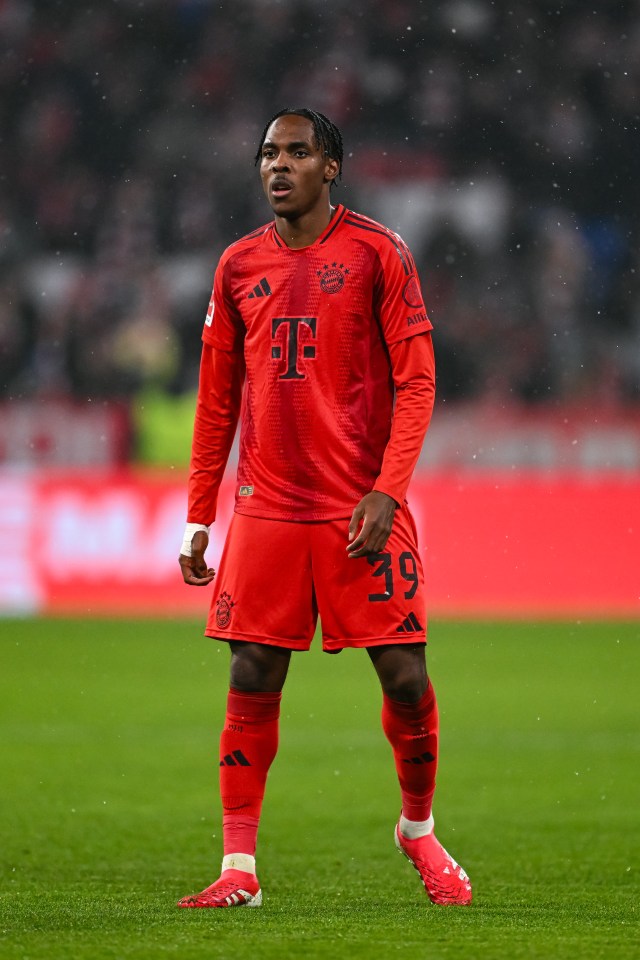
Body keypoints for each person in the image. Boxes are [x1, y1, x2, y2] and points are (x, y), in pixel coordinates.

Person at [177, 107, 472, 909]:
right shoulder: (238, 265)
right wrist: (200, 512)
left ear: (330, 166)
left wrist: (388, 489)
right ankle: (239, 868)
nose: (279, 166)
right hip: (267, 507)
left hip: (358, 507)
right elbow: (217, 399)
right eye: (269, 153)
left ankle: (418, 829)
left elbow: (418, 382)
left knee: (406, 676)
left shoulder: (379, 253)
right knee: (251, 668)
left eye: (298, 152)